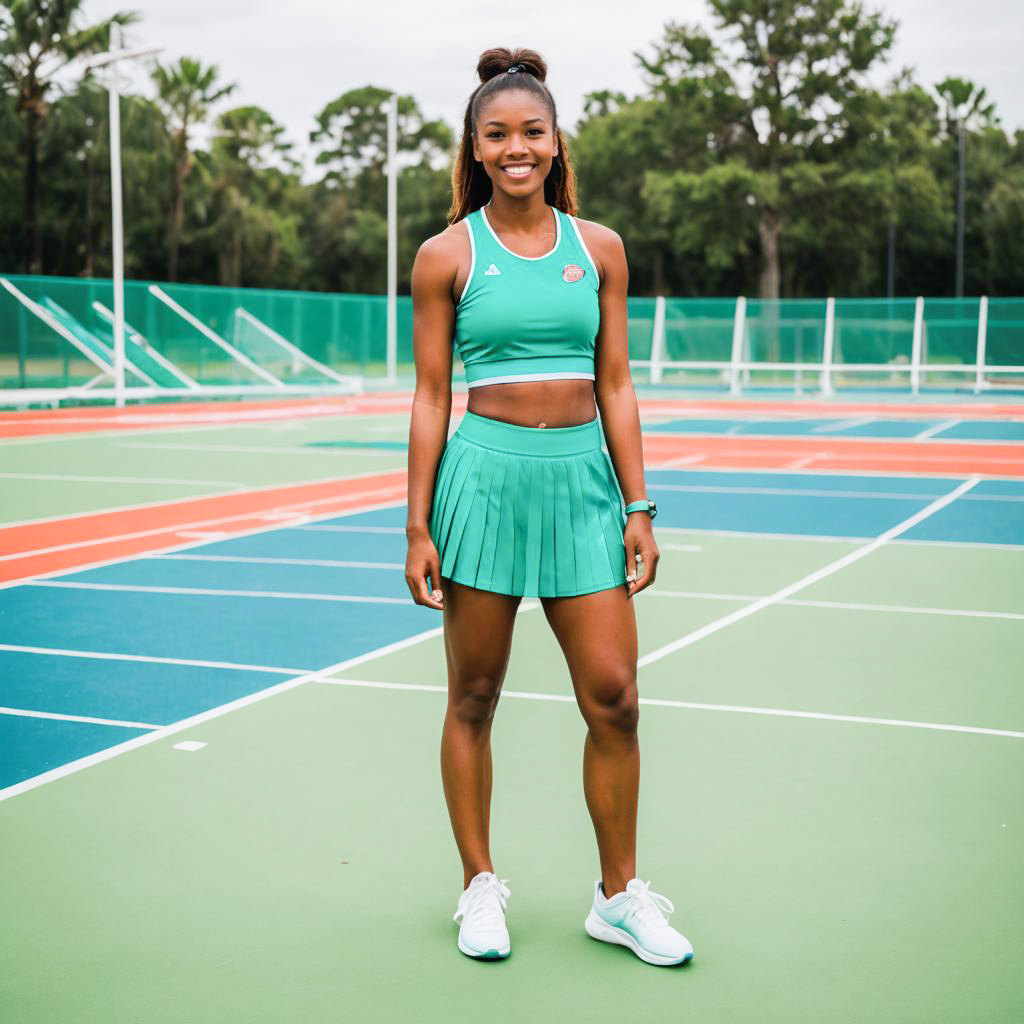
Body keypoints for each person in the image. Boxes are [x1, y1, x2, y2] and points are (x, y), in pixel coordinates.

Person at [404, 46, 693, 968]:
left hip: (582, 489)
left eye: (532, 131)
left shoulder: (597, 248)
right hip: (481, 484)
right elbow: (428, 395)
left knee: (614, 699)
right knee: (475, 696)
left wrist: (638, 503)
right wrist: (416, 522)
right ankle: (478, 887)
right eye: (498, 135)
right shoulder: (446, 254)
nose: (516, 147)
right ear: (476, 148)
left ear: (555, 141)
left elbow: (616, 382)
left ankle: (617, 898)